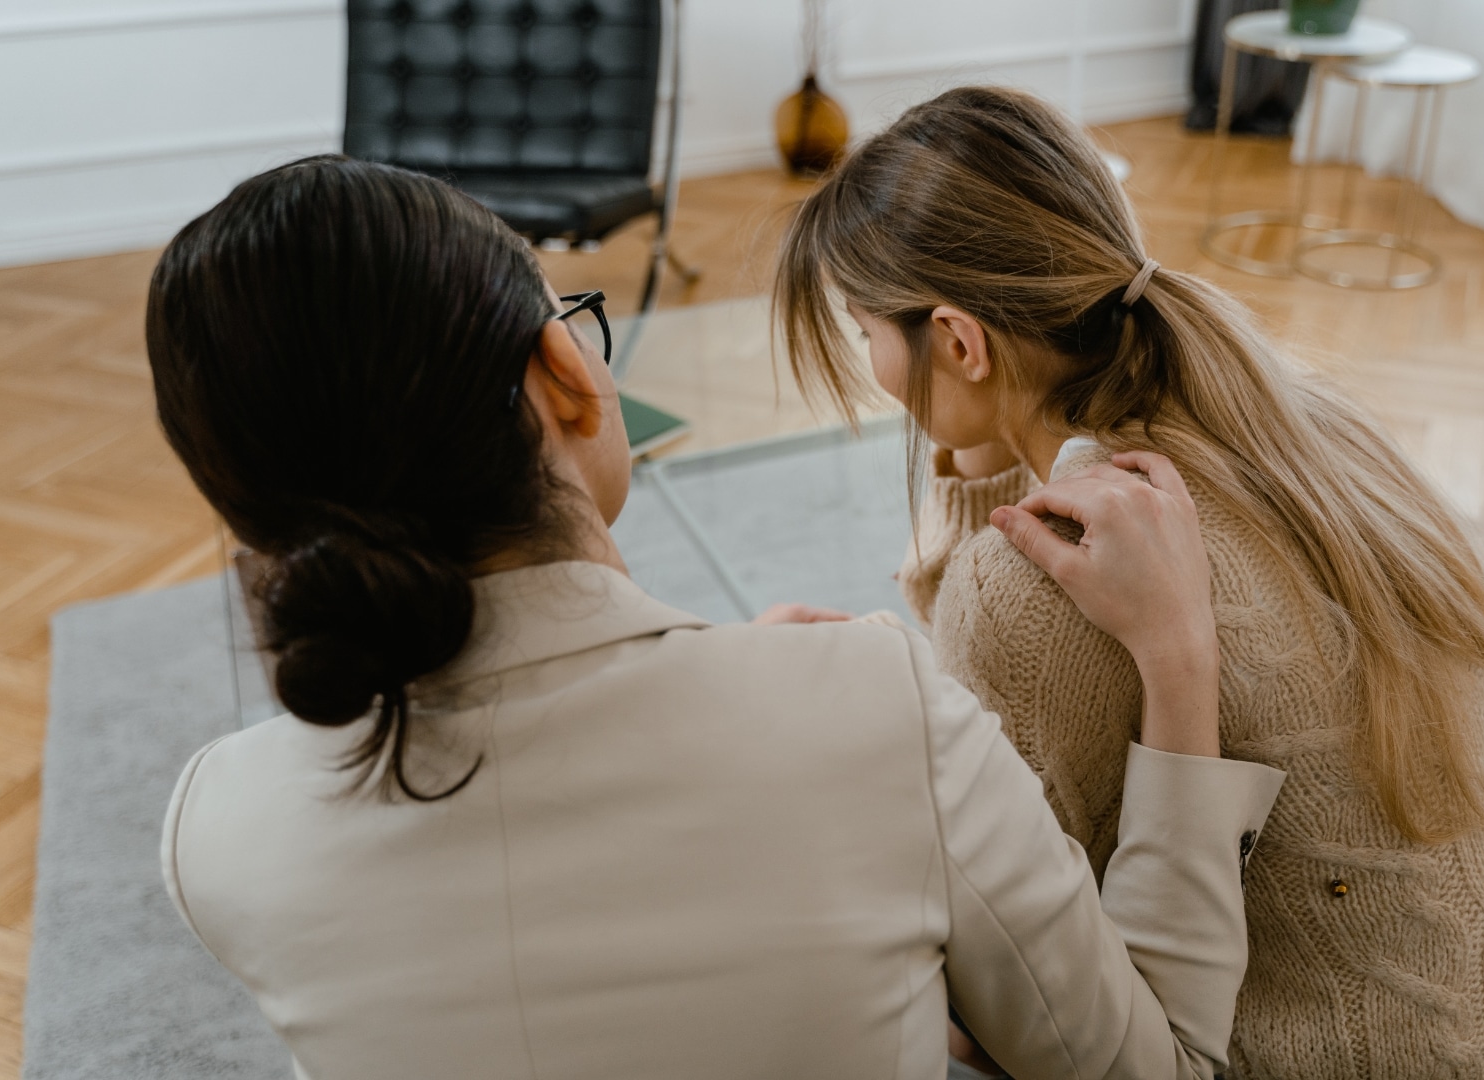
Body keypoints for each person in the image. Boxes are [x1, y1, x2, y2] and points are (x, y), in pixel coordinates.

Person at [149, 155, 1286, 1080]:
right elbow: (1157, 1068)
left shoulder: (215, 828)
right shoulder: (876, 708)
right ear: (563, 370)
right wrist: (1177, 656)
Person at [777, 86, 1484, 1080]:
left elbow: (1031, 954)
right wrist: (991, 444)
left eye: (866, 333)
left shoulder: (1027, 589)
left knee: (857, 959)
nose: (873, 364)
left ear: (958, 340)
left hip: (1357, 1056)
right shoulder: (1284, 413)